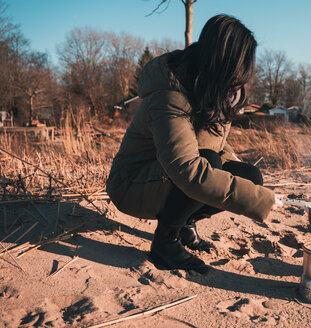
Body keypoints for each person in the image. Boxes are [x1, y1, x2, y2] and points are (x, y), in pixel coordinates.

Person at [106, 14, 283, 274]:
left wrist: (249, 183)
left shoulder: (213, 89)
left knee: (250, 174)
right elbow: (187, 169)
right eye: (238, 66)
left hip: (166, 178)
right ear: (220, 61)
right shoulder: (169, 95)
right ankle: (165, 243)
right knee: (207, 164)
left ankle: (185, 222)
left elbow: (219, 147)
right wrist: (258, 200)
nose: (241, 77)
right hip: (132, 184)